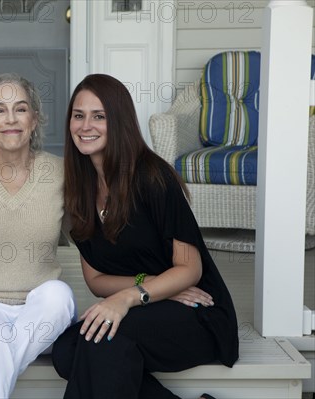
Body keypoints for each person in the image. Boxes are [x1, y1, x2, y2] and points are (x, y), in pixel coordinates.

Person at [51, 74, 239, 399]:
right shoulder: (78, 193)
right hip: (152, 303)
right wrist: (150, 286)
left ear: (120, 121)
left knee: (101, 339)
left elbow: (189, 270)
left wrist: (127, 298)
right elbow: (96, 279)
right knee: (67, 348)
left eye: (99, 116)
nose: (86, 125)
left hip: (198, 312)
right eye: (78, 115)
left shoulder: (152, 177)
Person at [0, 72, 77, 398]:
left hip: (41, 309)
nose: (10, 119)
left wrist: (142, 284)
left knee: (59, 295)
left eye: (20, 109)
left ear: (34, 119)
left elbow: (96, 241)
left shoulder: (60, 172)